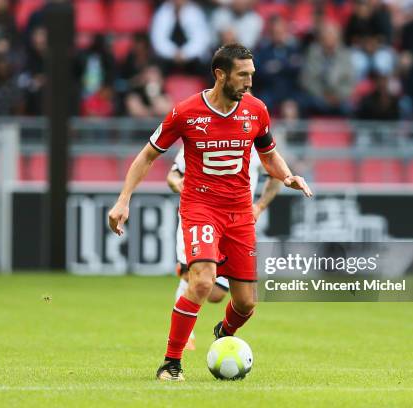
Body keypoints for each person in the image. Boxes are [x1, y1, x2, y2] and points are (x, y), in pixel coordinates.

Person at [108, 43, 313, 381]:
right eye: (243, 75)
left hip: (240, 214)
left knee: (246, 303)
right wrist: (123, 200)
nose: (249, 82)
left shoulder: (256, 111)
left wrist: (286, 174)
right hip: (201, 208)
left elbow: (269, 154)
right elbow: (147, 156)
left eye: (252, 75)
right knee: (202, 281)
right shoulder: (186, 112)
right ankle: (171, 364)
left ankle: (223, 333)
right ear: (221, 75)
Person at [166, 144, 281, 350]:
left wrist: (260, 206)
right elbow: (173, 175)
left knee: (217, 294)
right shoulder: (199, 133)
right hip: (199, 218)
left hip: (235, 222)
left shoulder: (252, 142)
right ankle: (183, 341)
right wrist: (179, 184)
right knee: (197, 279)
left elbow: (276, 174)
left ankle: (222, 331)